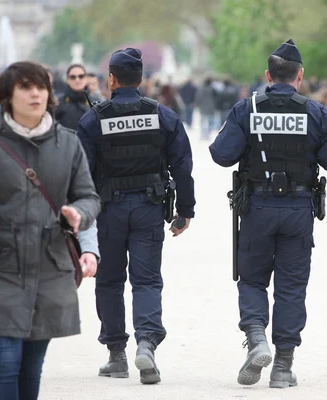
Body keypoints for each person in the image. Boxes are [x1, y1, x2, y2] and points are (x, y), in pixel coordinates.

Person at [209, 39, 327, 389]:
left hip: (257, 207)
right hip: (298, 209)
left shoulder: (248, 109)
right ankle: (284, 366)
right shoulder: (316, 113)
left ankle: (257, 338)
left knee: (253, 279)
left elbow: (221, 154)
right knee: (291, 286)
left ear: (268, 75)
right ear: (300, 76)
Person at [0, 61, 101, 400]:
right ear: (7, 96)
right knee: (4, 362)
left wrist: (78, 213)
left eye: (41, 87)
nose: (35, 93)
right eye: (24, 87)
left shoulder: (68, 144)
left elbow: (89, 197)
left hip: (50, 266)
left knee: (32, 366)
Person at [76, 48, 196, 385]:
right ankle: (146, 342)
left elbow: (80, 173)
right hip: (148, 208)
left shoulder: (92, 120)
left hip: (108, 211)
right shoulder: (163, 116)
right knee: (146, 280)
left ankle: (116, 355)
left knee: (110, 282)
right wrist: (185, 210)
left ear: (111, 79)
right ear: (141, 79)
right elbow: (183, 167)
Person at [54, 64, 90, 130]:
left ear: (86, 78)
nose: (77, 80)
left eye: (81, 76)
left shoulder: (97, 102)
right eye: (73, 77)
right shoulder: (58, 103)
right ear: (67, 79)